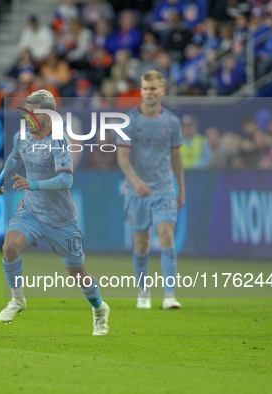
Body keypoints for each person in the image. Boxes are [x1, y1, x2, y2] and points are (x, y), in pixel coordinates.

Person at [0, 89, 109, 335]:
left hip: (60, 219)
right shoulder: (21, 137)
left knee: (77, 273)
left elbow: (66, 181)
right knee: (10, 246)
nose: (28, 117)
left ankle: (99, 309)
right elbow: (14, 160)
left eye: (34, 113)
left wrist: (32, 184)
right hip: (31, 211)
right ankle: (17, 300)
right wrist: (0, 180)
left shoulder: (59, 140)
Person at [116, 70, 185, 310]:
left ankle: (169, 295)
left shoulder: (172, 122)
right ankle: (143, 289)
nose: (149, 93)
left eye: (153, 88)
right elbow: (122, 158)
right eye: (146, 88)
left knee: (166, 236)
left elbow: (176, 157)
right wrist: (135, 181)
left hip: (164, 188)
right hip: (137, 192)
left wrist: (181, 189)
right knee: (142, 244)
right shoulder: (129, 121)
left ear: (162, 91)